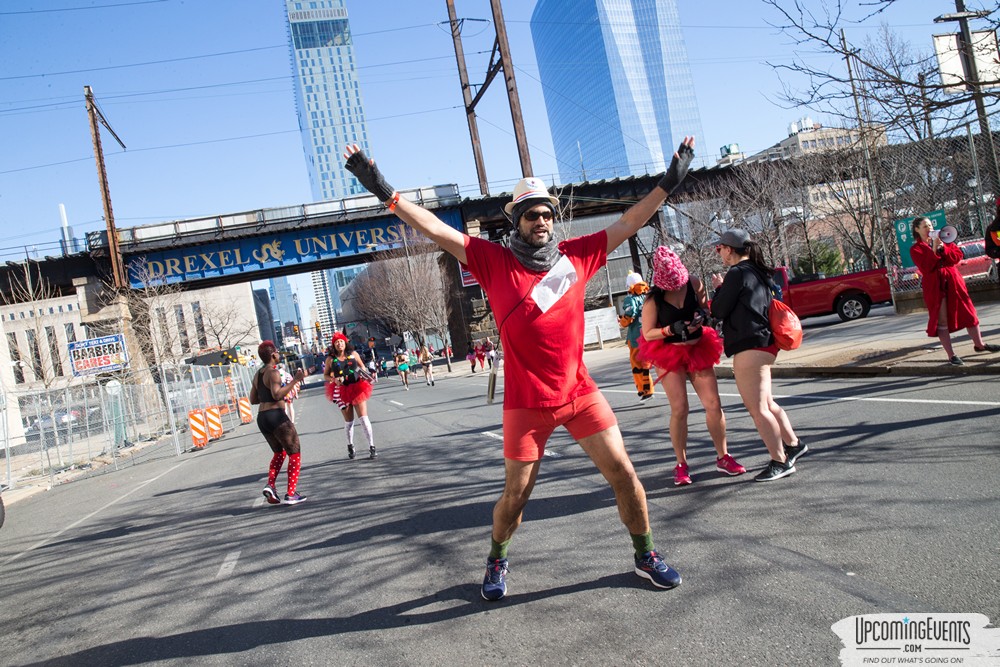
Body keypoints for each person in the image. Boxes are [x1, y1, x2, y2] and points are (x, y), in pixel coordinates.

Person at [344, 136, 696, 600]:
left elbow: (630, 220)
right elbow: (433, 228)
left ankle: (645, 553)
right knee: (516, 498)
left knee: (626, 475)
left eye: (548, 213)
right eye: (532, 214)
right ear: (517, 219)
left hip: (580, 394)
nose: (542, 221)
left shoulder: (578, 255)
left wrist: (668, 183)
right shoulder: (492, 260)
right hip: (527, 404)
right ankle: (496, 559)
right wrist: (383, 189)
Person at [639, 247, 745, 485]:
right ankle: (681, 464)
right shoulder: (653, 299)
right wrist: (670, 329)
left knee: (713, 403)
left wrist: (701, 317)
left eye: (679, 282)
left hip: (698, 347)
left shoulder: (694, 282)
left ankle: (723, 456)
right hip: (668, 353)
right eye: (671, 284)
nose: (676, 287)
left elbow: (705, 308)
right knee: (680, 409)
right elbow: (647, 333)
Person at [710, 229, 806, 482]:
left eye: (719, 248)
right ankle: (793, 444)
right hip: (765, 343)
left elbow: (719, 310)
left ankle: (780, 460)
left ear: (729, 249)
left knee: (758, 409)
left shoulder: (737, 274)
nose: (719, 253)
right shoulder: (759, 272)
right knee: (768, 404)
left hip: (749, 345)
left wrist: (718, 289)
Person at [909, 216, 999, 365]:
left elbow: (956, 257)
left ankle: (979, 344)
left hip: (953, 281)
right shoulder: (916, 249)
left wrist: (943, 248)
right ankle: (951, 355)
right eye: (925, 226)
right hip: (935, 286)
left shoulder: (944, 240)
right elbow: (926, 267)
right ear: (917, 230)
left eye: (930, 225)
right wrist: (933, 249)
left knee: (969, 312)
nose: (929, 228)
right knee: (942, 318)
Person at [249, 341, 307, 505]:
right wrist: (295, 380)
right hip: (276, 416)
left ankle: (271, 486)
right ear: (273, 355)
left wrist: (264, 395)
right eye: (277, 352)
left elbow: (253, 399)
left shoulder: (257, 374)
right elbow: (276, 394)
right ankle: (291, 493)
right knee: (294, 452)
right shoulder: (273, 372)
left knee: (279, 453)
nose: (279, 354)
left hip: (263, 418)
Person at [324, 332, 377, 460]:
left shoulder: (353, 354)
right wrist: (333, 379)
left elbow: (362, 366)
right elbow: (325, 375)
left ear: (345, 342)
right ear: (333, 345)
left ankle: (372, 446)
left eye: (341, 341)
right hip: (342, 390)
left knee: (364, 419)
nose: (339, 343)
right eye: (336, 342)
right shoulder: (330, 359)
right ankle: (350, 445)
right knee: (349, 422)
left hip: (357, 387)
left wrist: (365, 374)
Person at [619, 271, 655, 402]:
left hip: (635, 336)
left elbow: (629, 315)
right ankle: (647, 388)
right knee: (646, 363)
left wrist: (622, 321)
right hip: (648, 332)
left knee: (637, 364)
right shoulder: (647, 296)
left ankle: (645, 389)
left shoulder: (630, 299)